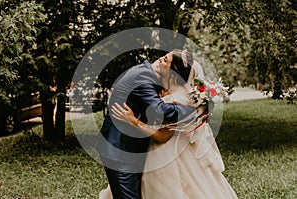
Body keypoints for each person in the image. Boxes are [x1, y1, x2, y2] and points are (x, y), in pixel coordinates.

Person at [105, 60, 238, 198]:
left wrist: (133, 121)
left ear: (174, 71)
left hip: (165, 155)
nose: (159, 62)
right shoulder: (163, 88)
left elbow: (162, 136)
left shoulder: (181, 100)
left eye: (166, 61)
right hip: (146, 151)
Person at [96, 49, 196, 199]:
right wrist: (192, 109)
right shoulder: (143, 77)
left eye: (165, 61)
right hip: (120, 149)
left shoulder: (148, 74)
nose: (159, 61)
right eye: (163, 58)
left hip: (132, 147)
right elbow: (159, 110)